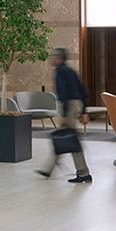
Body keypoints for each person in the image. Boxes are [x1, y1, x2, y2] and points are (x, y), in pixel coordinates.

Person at [34, 48, 92, 184]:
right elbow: (83, 91)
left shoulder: (60, 72)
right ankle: (49, 168)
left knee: (70, 138)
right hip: (76, 104)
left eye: (53, 56)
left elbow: (64, 94)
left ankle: (83, 173)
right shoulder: (71, 71)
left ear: (59, 58)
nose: (51, 59)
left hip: (70, 105)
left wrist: (65, 114)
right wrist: (84, 111)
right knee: (65, 136)